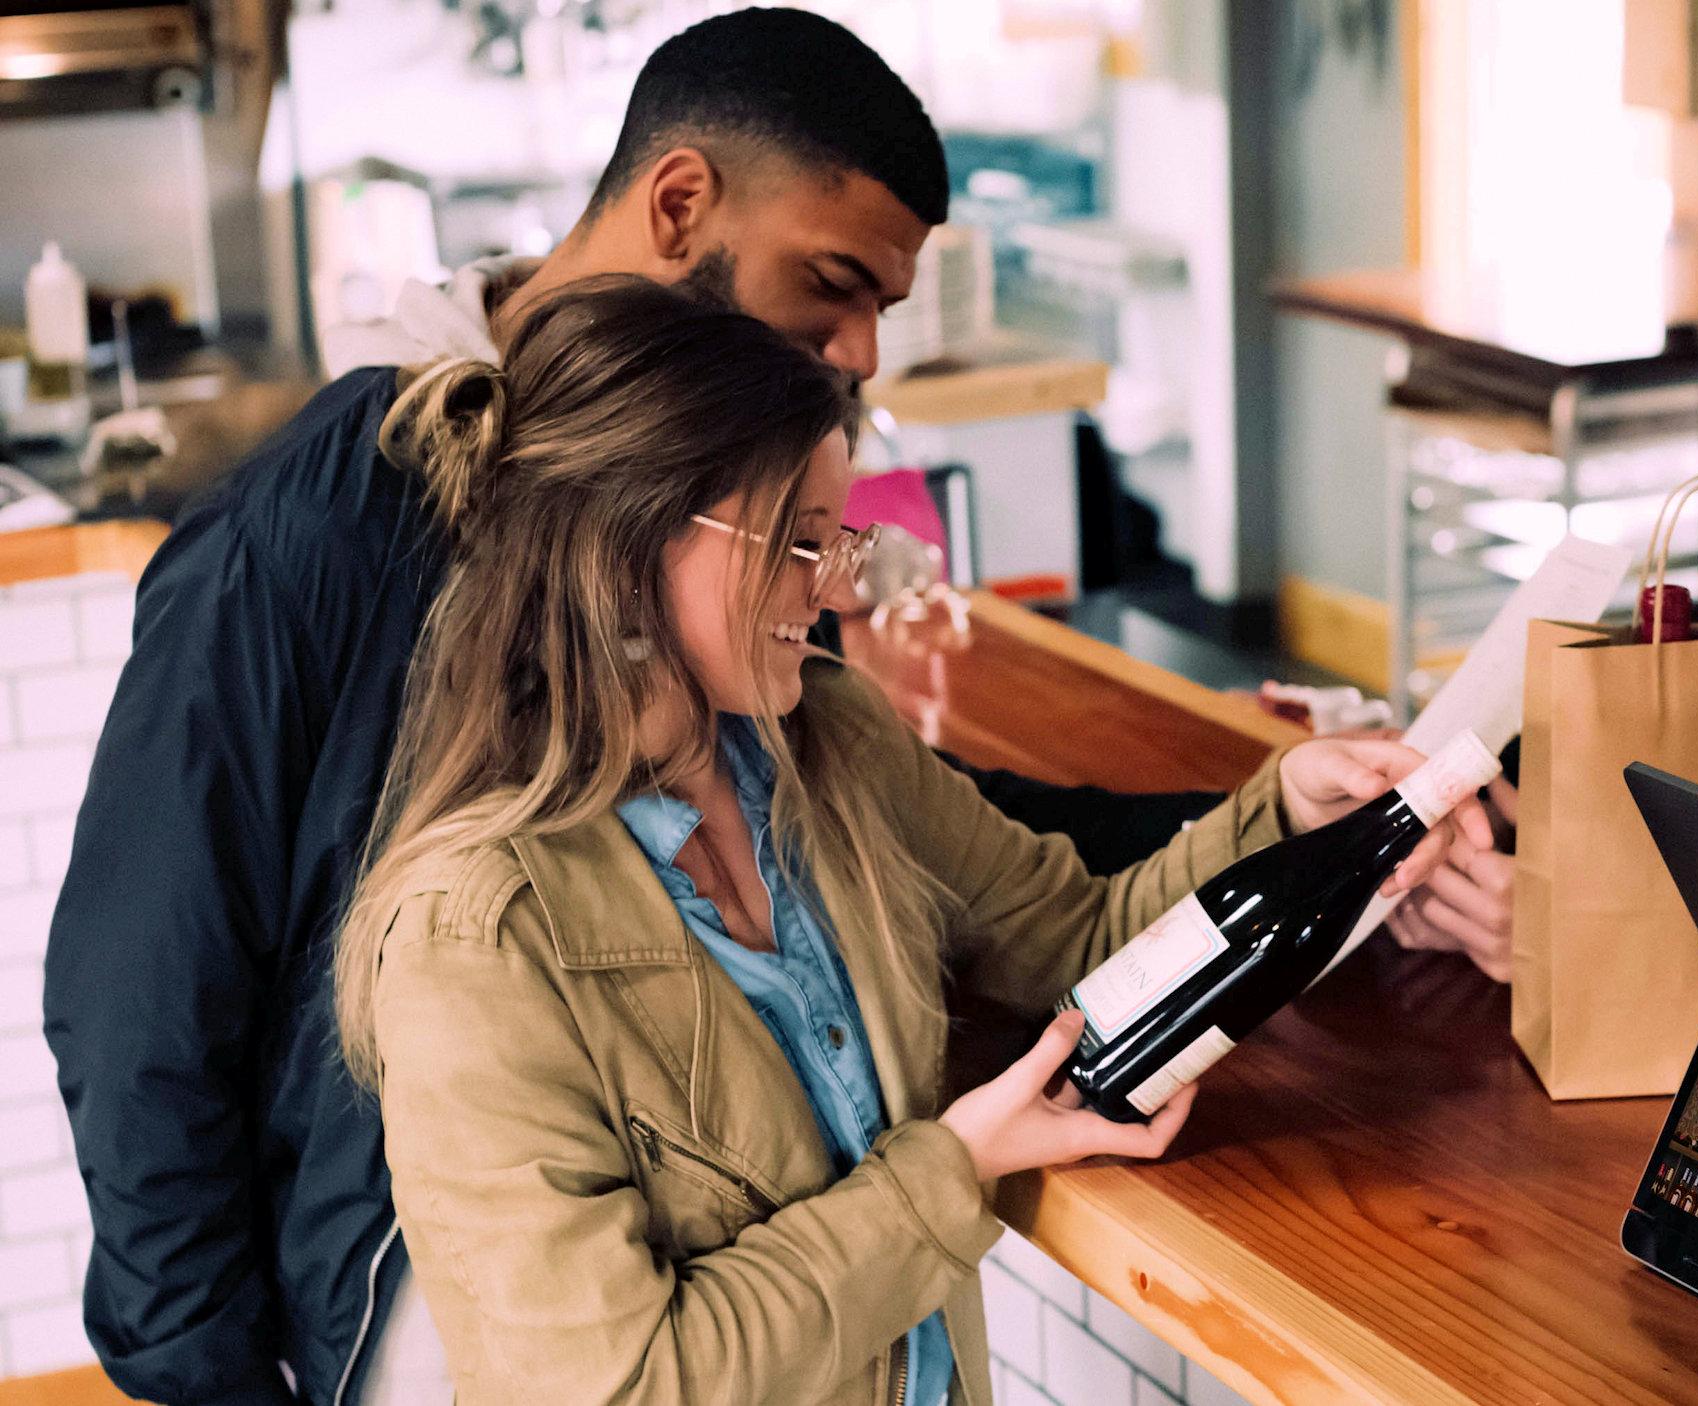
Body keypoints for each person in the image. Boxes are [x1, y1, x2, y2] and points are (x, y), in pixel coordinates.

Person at [43, 13, 1242, 1404]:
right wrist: (213, 1385)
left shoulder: (746, 577)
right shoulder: (322, 521)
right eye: (831, 282)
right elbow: (144, 993)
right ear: (679, 205)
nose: (858, 351)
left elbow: (924, 828)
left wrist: (1259, 811)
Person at [337, 275, 1481, 1406]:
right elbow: (621, 1383)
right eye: (796, 541)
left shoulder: (827, 740)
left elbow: (1074, 934)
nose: (831, 587)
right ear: (625, 544)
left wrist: (1283, 817)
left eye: (838, 539)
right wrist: (951, 1171)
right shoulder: (470, 940)